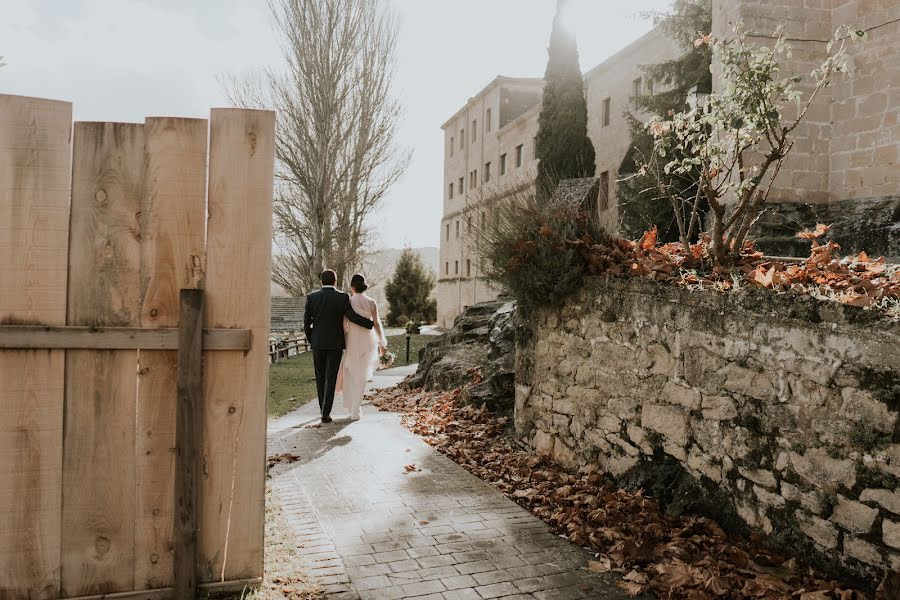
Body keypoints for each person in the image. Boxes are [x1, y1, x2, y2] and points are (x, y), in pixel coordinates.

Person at [303, 269, 374, 423]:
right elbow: (351, 316)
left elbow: (306, 324)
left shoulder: (311, 298)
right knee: (331, 377)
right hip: (335, 343)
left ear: (322, 281)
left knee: (320, 376)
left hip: (318, 343)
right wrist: (369, 324)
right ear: (335, 281)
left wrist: (312, 340)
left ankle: (323, 408)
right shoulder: (342, 297)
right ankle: (325, 412)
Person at [335, 273, 387, 420]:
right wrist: (382, 342)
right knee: (362, 375)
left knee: (350, 373)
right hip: (368, 341)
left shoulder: (348, 302)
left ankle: (352, 408)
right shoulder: (371, 302)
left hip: (351, 340)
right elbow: (376, 323)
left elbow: (344, 324)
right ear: (364, 286)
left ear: (352, 287)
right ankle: (356, 409)